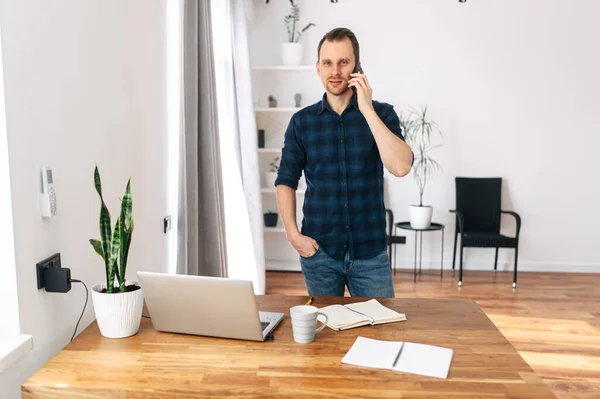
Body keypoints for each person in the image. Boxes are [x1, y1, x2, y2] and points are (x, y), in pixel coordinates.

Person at [274, 27, 413, 298]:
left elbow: (401, 167)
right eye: (327, 63)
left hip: (370, 255)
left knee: (380, 333)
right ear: (317, 68)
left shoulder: (381, 114)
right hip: (320, 254)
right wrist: (293, 235)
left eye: (343, 62)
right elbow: (285, 180)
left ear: (357, 67)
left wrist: (367, 109)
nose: (335, 71)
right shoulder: (301, 122)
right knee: (325, 336)